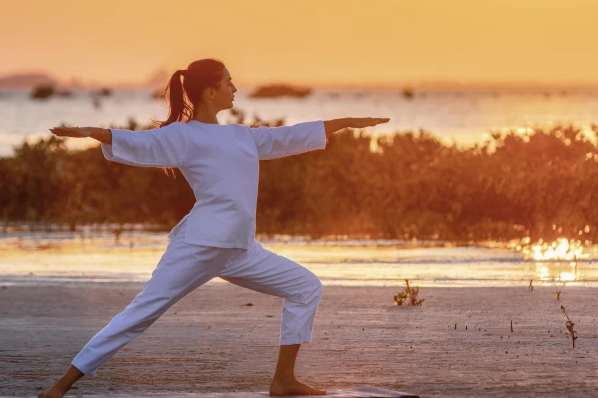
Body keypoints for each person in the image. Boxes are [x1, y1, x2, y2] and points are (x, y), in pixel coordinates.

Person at [39, 58, 388, 398]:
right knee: (140, 314)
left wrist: (346, 121)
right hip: (199, 246)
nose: (235, 89)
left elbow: (290, 136)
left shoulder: (241, 136)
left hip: (240, 250)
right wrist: (89, 132)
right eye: (228, 83)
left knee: (305, 287)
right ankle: (60, 387)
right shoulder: (183, 136)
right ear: (209, 92)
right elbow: (138, 142)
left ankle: (283, 380)